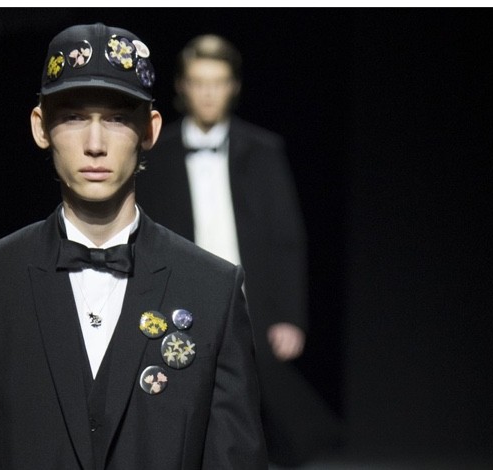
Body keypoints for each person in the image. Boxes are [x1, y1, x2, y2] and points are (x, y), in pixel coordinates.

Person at [0, 23, 265, 469]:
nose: (95, 145)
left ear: (149, 130)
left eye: (117, 119)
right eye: (74, 117)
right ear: (41, 127)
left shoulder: (212, 289)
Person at [137, 34, 341, 466]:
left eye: (218, 82)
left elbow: (286, 238)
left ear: (233, 87)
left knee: (265, 419)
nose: (208, 93)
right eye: (199, 82)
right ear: (182, 87)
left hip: (252, 303)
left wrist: (289, 315)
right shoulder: (156, 154)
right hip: (180, 300)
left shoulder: (262, 150)